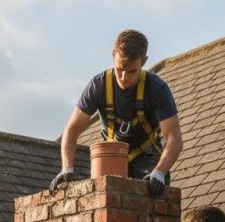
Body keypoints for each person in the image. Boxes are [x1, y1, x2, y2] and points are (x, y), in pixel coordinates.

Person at [50, 29, 182, 196]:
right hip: (112, 156)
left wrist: (159, 173)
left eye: (132, 71)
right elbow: (72, 129)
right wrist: (67, 168)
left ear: (144, 61)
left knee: (150, 198)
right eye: (120, 69)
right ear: (113, 56)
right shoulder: (98, 86)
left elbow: (174, 139)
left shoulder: (157, 89)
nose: (124, 77)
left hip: (147, 160)